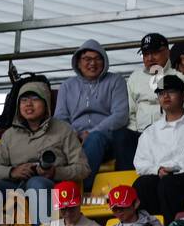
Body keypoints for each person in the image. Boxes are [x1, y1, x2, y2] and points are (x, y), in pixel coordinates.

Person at [0, 77, 90, 225]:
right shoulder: (10, 134)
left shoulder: (63, 129)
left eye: (35, 99)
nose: (28, 104)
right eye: (24, 100)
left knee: (36, 183)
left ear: (46, 103)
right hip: (17, 185)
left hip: (53, 186)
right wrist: (12, 172)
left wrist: (55, 172)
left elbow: (83, 168)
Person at [56, 40, 138, 186]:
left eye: (97, 59)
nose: (92, 63)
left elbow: (120, 115)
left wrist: (92, 132)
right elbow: (60, 118)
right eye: (87, 59)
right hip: (74, 140)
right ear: (78, 63)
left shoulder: (115, 81)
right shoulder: (67, 86)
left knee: (95, 138)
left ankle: (81, 189)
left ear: (104, 61)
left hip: (106, 139)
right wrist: (73, 135)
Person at [132, 75, 184, 220]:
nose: (166, 96)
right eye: (161, 93)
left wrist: (172, 168)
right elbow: (140, 164)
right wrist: (158, 170)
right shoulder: (150, 131)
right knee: (142, 184)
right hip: (159, 178)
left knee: (168, 184)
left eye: (171, 91)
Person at [131, 33, 184, 135]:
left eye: (155, 52)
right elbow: (130, 112)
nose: (150, 58)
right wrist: (138, 134)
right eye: (146, 54)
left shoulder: (181, 71)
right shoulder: (135, 77)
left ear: (167, 52)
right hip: (141, 134)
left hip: (178, 130)